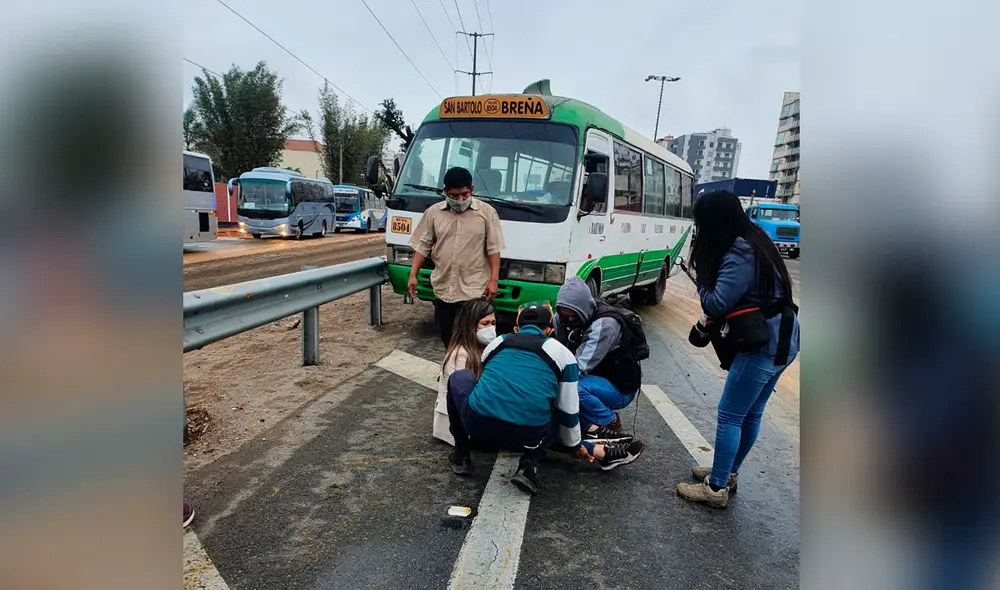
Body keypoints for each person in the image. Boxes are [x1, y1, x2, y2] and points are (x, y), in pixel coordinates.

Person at [675, 190, 800, 509]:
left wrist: (701, 283)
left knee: (730, 415)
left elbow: (717, 301)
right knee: (750, 413)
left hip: (763, 344)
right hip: (783, 337)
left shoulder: (740, 249)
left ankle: (716, 488)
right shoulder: (756, 238)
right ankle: (726, 472)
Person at [446, 302, 646, 494]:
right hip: (527, 437)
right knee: (553, 407)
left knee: (461, 378)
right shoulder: (564, 355)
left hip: (478, 427)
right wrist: (574, 446)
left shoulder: (496, 344)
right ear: (550, 330)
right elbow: (568, 410)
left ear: (516, 328)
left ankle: (461, 456)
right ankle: (530, 466)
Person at [408, 166, 505, 347]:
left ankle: (472, 372)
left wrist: (494, 280)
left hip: (473, 290)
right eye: (454, 196)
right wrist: (413, 274)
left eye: (464, 194)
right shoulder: (433, 213)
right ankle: (452, 370)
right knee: (447, 337)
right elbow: (423, 246)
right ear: (445, 192)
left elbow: (494, 248)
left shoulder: (487, 213)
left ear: (472, 190)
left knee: (473, 340)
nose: (460, 200)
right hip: (444, 289)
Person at [555, 277, 640, 442]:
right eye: (565, 316)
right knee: (563, 389)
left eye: (574, 316)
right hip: (594, 377)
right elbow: (557, 350)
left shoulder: (605, 325)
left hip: (619, 387)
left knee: (572, 389)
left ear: (583, 309)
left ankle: (610, 421)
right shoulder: (561, 317)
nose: (570, 320)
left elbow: (578, 368)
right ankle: (588, 423)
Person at [433, 299, 497, 445]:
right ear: (471, 325)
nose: (490, 329)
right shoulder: (460, 354)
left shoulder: (484, 348)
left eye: (493, 323)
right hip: (459, 420)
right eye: (485, 324)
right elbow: (467, 395)